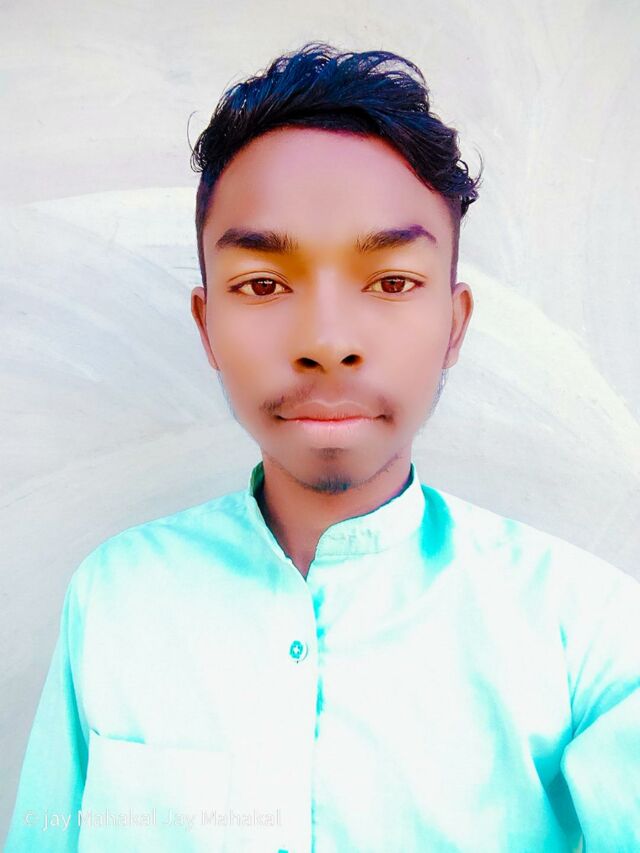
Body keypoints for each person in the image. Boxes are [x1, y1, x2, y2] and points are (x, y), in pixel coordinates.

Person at [5, 42, 639, 853]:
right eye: (263, 284)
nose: (327, 341)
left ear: (454, 325)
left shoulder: (586, 630)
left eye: (391, 282)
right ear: (207, 324)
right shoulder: (114, 597)